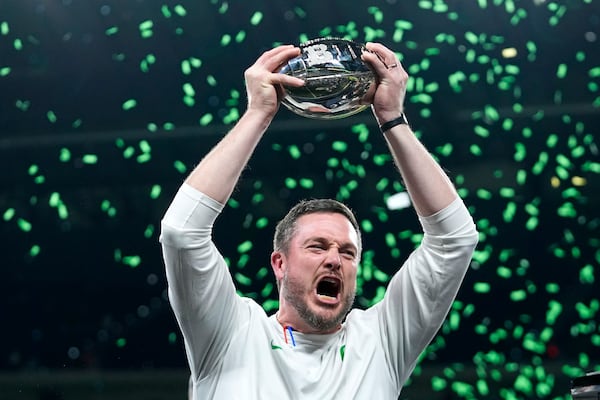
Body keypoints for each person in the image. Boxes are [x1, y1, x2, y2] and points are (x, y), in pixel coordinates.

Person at [160, 42, 479, 399]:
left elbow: (455, 238)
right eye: (317, 246)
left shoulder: (380, 341)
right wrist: (258, 114)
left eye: (347, 252)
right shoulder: (230, 335)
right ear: (279, 263)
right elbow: (182, 231)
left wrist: (393, 119)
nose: (334, 259)